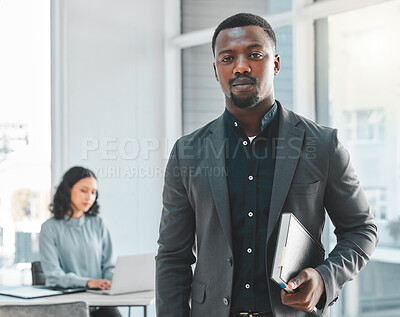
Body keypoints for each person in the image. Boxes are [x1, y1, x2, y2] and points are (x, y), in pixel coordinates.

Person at [156, 13, 378, 317]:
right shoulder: (187, 152)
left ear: (275, 63)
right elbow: (172, 256)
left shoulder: (324, 146)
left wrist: (325, 278)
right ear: (216, 70)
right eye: (228, 58)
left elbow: (361, 230)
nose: (241, 66)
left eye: (254, 54)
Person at [39, 166, 121, 317]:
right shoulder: (49, 228)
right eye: (84, 190)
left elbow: (109, 266)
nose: (89, 197)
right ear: (68, 190)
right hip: (67, 304)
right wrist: (88, 282)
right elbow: (54, 275)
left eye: (93, 192)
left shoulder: (99, 223)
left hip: (99, 302)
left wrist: (112, 281)